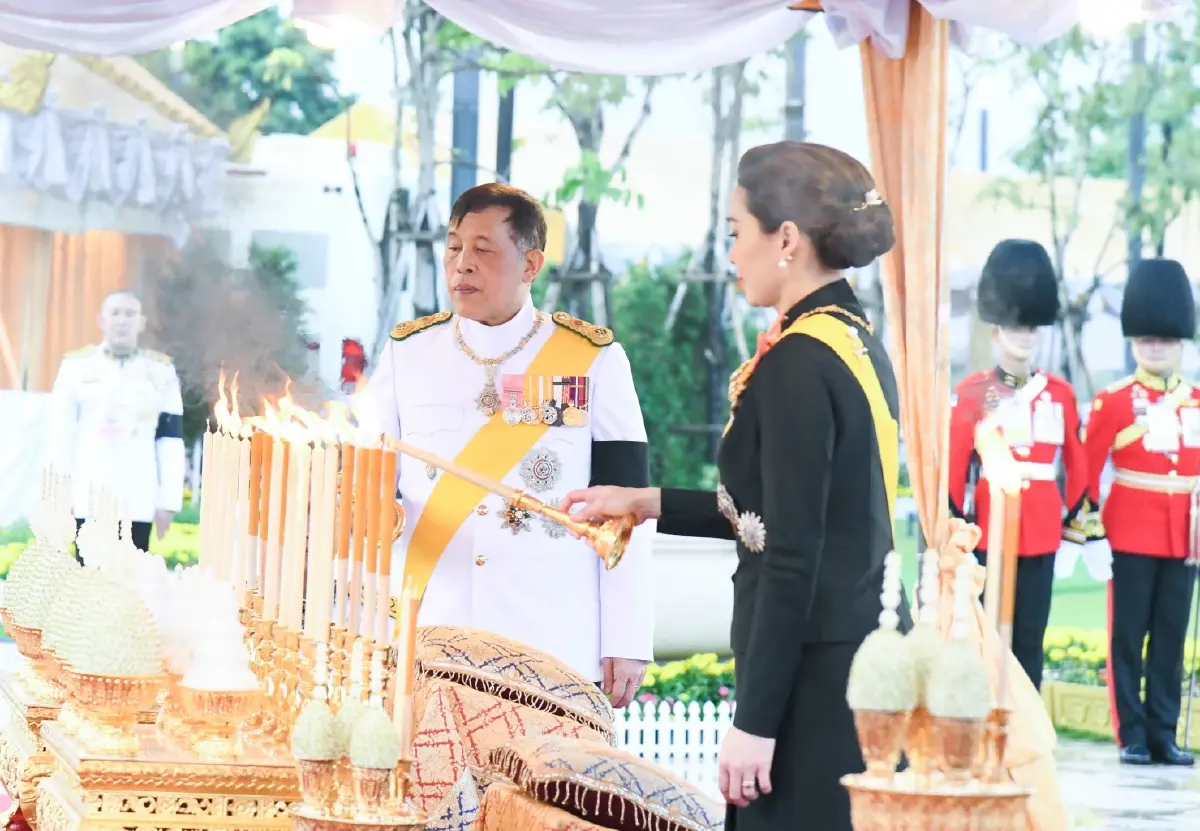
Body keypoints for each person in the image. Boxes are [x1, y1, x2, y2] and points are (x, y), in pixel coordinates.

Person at [562, 142, 909, 831]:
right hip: (858, 660)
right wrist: (647, 502)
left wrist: (754, 723)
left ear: (784, 239)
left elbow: (788, 555)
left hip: (809, 684)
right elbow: (783, 514)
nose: (729, 253)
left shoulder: (798, 364)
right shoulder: (853, 340)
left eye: (734, 233)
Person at [370, 182, 653, 707]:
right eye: (454, 247)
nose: (462, 265)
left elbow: (628, 505)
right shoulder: (407, 354)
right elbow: (369, 488)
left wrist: (626, 637)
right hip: (433, 631)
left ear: (530, 264)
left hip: (548, 638)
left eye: (483, 249)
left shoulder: (591, 359)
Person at [947, 239, 1088, 691]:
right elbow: (955, 466)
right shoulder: (977, 392)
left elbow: (1077, 464)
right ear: (995, 331)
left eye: (1030, 328)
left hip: (1043, 527)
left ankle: (1023, 729)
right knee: (987, 633)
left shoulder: (1059, 394)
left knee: (1031, 635)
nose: (1024, 335)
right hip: (989, 526)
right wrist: (959, 523)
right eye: (1015, 326)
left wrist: (1068, 516)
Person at [1084, 258, 1197, 767]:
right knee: (1128, 637)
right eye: (1148, 340)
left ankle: (1163, 733)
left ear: (1180, 342)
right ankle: (1131, 732)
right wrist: (1089, 535)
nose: (1157, 347)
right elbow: (1087, 474)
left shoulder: (1195, 401)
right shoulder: (1112, 403)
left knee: (1171, 640)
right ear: (1134, 343)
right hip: (1128, 532)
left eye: (1165, 340)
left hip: (1183, 536)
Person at [49, 290, 185, 554]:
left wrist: (168, 500)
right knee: (88, 582)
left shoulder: (161, 371)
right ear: (102, 320)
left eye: (130, 314)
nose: (122, 321)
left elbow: (170, 438)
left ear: (141, 322)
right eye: (115, 313)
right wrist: (59, 495)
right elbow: (60, 436)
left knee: (130, 586)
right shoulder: (76, 368)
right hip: (90, 493)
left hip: (137, 496)